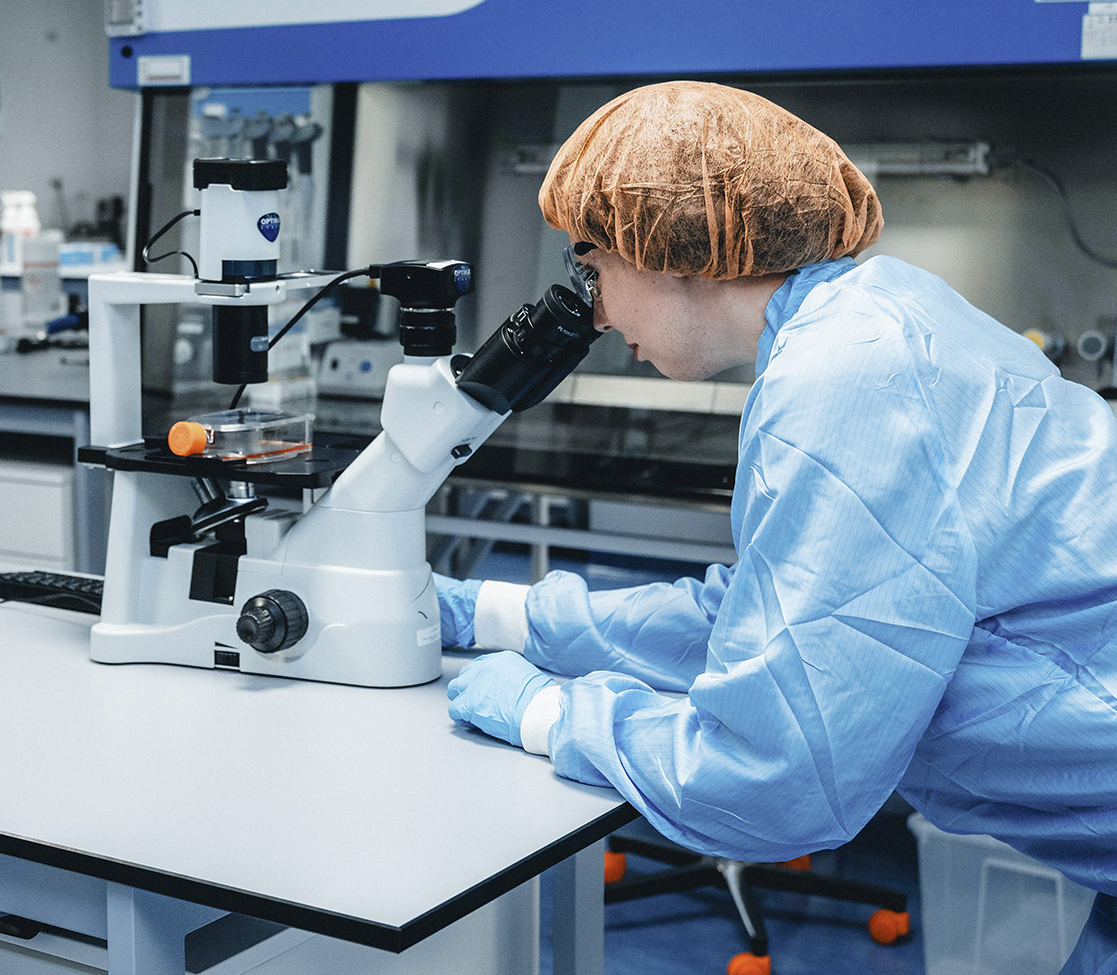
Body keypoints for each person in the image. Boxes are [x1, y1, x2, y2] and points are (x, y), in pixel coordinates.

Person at [439, 80, 1117, 973]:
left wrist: (550, 712)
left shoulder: (842, 375)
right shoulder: (869, 315)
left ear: (672, 241)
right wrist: (502, 615)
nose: (594, 312)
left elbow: (779, 777)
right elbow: (781, 620)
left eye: (592, 264)